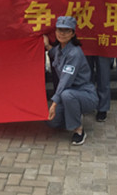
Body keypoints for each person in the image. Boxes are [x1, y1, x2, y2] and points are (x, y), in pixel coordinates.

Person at [45, 16, 98, 145]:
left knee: (66, 94)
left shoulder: (74, 53)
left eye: (66, 31)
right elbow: (53, 53)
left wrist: (54, 104)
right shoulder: (60, 49)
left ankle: (78, 130)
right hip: (68, 95)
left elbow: (65, 81)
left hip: (85, 95)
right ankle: (73, 114)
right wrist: (46, 45)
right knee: (52, 122)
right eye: (59, 30)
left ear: (73, 34)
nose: (62, 34)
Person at [78, 0, 114, 122]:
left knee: (103, 73)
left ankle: (103, 107)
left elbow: (116, 2)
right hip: (85, 32)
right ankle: (88, 103)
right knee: (86, 73)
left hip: (103, 31)